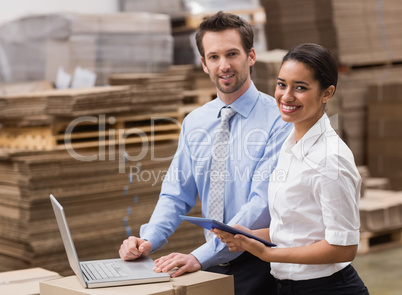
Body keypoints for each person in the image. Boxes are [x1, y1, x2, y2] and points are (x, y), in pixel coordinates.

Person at [119, 11, 292, 295]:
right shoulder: (195, 122)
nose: (223, 65)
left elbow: (261, 204)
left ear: (251, 56)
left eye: (232, 54)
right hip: (212, 264)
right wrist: (148, 240)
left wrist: (201, 255)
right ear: (203, 64)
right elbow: (176, 193)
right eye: (214, 57)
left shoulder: (278, 120)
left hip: (262, 264)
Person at [213, 43, 369, 295]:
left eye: (300, 87)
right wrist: (250, 236)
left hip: (327, 289)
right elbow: (297, 227)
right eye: (282, 84)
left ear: (327, 93)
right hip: (288, 287)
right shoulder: (290, 145)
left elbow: (344, 247)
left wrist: (268, 253)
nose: (286, 96)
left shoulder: (330, 159)